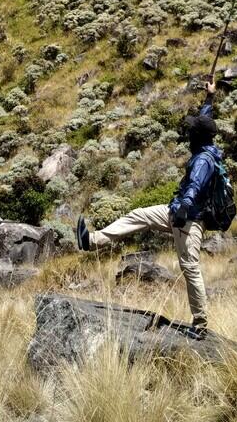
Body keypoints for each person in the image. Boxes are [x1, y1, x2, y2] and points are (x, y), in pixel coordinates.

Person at [76, 82, 222, 337]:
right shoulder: (204, 145)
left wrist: (184, 207)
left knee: (190, 268)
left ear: (198, 136)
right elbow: (204, 121)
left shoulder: (202, 160)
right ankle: (91, 241)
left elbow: (195, 186)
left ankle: (200, 325)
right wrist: (209, 98)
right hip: (178, 212)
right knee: (139, 215)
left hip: (188, 219)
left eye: (191, 131)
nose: (188, 133)